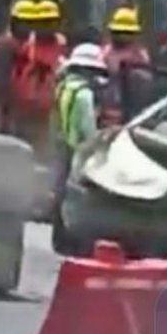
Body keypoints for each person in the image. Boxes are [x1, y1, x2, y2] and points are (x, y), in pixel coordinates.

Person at [50, 43, 109, 247]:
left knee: (59, 192)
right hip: (77, 149)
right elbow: (88, 127)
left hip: (60, 144)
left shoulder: (63, 87)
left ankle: (59, 237)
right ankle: (72, 240)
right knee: (75, 195)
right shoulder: (85, 94)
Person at [14, 0, 69, 158]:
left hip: (52, 108)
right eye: (42, 22)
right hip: (26, 107)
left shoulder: (62, 44)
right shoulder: (27, 45)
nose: (46, 26)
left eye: (50, 22)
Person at [0, 0, 38, 134]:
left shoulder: (26, 44)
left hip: (24, 111)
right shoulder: (6, 45)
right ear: (15, 22)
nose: (29, 26)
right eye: (25, 22)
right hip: (3, 113)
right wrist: (1, 117)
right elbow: (1, 83)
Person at [99, 5, 152, 126]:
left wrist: (130, 74)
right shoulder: (106, 52)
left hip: (130, 108)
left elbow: (146, 84)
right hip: (107, 106)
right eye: (119, 32)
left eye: (126, 32)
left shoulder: (140, 54)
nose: (122, 36)